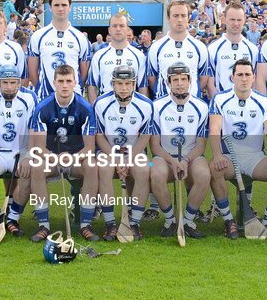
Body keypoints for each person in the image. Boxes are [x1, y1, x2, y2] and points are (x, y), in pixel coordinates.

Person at [208, 59, 267, 238]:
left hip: (255, 157)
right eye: (240, 75)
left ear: (254, 77)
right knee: (214, 169)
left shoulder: (263, 100)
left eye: (247, 75)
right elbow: (214, 128)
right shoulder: (220, 99)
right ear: (232, 77)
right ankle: (228, 220)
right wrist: (216, 155)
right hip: (229, 156)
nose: (244, 79)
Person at [28, 64, 98, 242]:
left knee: (91, 166)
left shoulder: (85, 108)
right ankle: (43, 225)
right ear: (54, 83)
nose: (65, 85)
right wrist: (56, 158)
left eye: (68, 81)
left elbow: (89, 148)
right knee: (36, 167)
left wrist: (71, 158)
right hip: (51, 157)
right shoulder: (43, 108)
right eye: (61, 81)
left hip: (77, 158)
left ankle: (85, 224)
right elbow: (39, 148)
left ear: (75, 82)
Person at [149, 62, 212, 239]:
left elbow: (200, 146)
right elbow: (154, 146)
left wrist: (185, 161)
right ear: (168, 83)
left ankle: (188, 220)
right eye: (175, 79)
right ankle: (170, 221)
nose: (179, 83)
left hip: (191, 156)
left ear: (190, 81)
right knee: (155, 172)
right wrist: (172, 161)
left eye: (183, 79)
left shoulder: (201, 107)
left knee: (203, 174)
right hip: (164, 156)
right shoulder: (156, 106)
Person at [92, 65, 153, 240]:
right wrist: (116, 159)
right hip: (107, 152)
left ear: (134, 84)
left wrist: (129, 159)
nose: (124, 88)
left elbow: (145, 136)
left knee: (143, 170)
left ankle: (134, 223)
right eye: (119, 83)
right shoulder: (101, 103)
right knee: (104, 169)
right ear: (112, 84)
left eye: (128, 83)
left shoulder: (145, 104)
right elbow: (99, 136)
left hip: (135, 153)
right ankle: (110, 223)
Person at [0, 66, 38, 237]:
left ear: (19, 82)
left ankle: (13, 218)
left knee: (30, 171)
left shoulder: (29, 97)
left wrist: (29, 155)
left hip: (22, 150)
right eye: (5, 82)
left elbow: (34, 129)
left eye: (13, 82)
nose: (9, 86)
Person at [28, 0, 91, 98]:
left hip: (73, 97)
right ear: (50, 8)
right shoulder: (38, 36)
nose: (60, 8)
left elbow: (84, 73)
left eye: (64, 5)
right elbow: (32, 71)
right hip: (45, 97)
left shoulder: (80, 38)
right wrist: (40, 88)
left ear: (70, 7)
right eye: (56, 5)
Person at [148, 1, 210, 100]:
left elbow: (203, 78)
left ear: (189, 18)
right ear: (168, 18)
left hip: (192, 105)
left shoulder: (200, 47)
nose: (180, 20)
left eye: (183, 15)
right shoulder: (156, 47)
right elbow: (152, 79)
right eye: (175, 16)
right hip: (163, 106)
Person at [87, 13, 148, 101]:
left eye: (122, 26)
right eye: (114, 26)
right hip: (105, 109)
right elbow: (92, 86)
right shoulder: (99, 56)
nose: (118, 29)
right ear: (109, 30)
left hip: (131, 109)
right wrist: (95, 111)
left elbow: (143, 87)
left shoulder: (139, 56)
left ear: (127, 29)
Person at [206, 0, 258, 96]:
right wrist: (218, 104)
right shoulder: (213, 49)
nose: (236, 23)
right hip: (221, 105)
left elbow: (254, 82)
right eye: (232, 20)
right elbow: (210, 83)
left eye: (239, 20)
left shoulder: (252, 49)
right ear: (224, 19)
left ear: (244, 19)